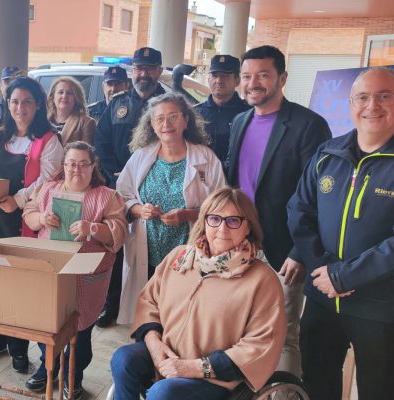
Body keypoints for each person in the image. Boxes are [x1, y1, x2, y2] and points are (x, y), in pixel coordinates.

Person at [287, 67, 394, 400]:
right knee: (318, 384)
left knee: (379, 391)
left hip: (383, 306)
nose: (372, 105)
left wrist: (344, 276)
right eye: (363, 97)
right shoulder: (328, 153)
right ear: (350, 103)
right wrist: (323, 269)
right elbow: (299, 212)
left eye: (384, 96)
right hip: (323, 301)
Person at [111, 187, 286, 400]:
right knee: (123, 359)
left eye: (233, 221)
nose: (222, 228)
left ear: (248, 227)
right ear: (204, 222)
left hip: (216, 378)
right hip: (168, 358)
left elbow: (260, 345)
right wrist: (154, 343)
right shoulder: (180, 257)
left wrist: (192, 368)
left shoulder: (262, 280)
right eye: (214, 219)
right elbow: (149, 301)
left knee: (163, 393)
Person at [225, 45, 331, 375]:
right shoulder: (240, 120)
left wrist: (301, 251)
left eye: (262, 75)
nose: (252, 83)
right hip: (238, 245)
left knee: (284, 335)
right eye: (246, 76)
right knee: (239, 328)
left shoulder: (308, 125)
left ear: (282, 78)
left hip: (284, 250)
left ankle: (286, 392)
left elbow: (319, 196)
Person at [22, 141, 127, 400]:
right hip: (52, 272)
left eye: (83, 164)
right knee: (47, 324)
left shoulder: (107, 196)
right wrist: (41, 218)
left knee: (80, 331)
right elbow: (30, 212)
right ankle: (49, 367)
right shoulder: (48, 188)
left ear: (93, 167)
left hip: (88, 278)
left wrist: (92, 228)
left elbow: (119, 231)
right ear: (63, 165)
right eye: (71, 163)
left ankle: (74, 373)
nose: (76, 169)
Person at [0, 76, 64, 371]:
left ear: (38, 104)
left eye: (27, 101)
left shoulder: (49, 141)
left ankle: (27, 351)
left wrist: (18, 199)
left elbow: (48, 180)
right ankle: (3, 340)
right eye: (14, 101)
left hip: (27, 222)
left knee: (27, 289)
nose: (20, 107)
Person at [115, 92, 226, 325]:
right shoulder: (141, 157)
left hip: (189, 254)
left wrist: (188, 215)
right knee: (148, 315)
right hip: (149, 253)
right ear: (152, 125)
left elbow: (221, 206)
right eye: (159, 119)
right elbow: (122, 196)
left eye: (174, 116)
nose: (166, 124)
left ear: (186, 120)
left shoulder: (205, 158)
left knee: (181, 317)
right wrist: (139, 210)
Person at [93, 47, 166, 328]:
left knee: (154, 253)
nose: (143, 74)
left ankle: (155, 311)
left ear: (159, 70)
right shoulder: (118, 103)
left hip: (156, 189)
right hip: (118, 189)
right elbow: (102, 142)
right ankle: (112, 306)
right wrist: (115, 174)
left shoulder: (170, 103)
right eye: (138, 68)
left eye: (149, 68)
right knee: (116, 247)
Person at [194, 54, 250, 162]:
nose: (219, 80)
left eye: (225, 76)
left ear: (237, 81)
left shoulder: (248, 113)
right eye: (214, 75)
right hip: (201, 175)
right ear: (208, 79)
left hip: (234, 176)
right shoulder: (195, 113)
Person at [47, 77, 97, 145]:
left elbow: (86, 153)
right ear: (53, 98)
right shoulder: (43, 120)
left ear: (76, 98)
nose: (64, 96)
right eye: (60, 92)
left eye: (69, 93)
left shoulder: (86, 123)